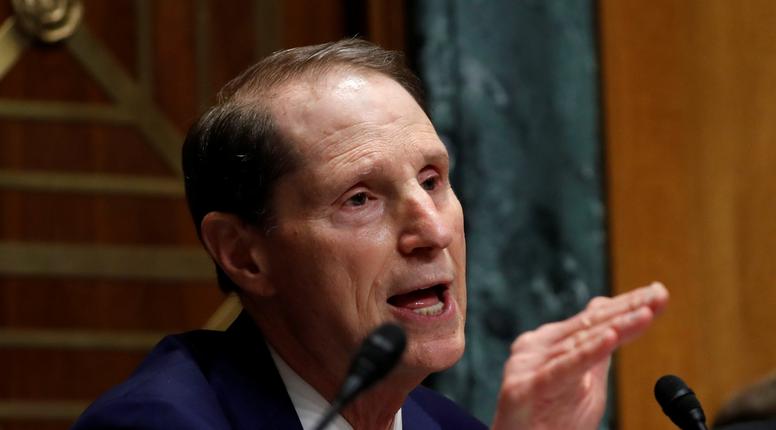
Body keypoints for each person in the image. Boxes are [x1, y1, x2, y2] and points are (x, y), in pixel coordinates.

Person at [72, 39, 669, 430]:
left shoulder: (449, 426)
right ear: (244, 255)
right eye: (360, 199)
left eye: (433, 180)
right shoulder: (158, 422)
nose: (432, 232)